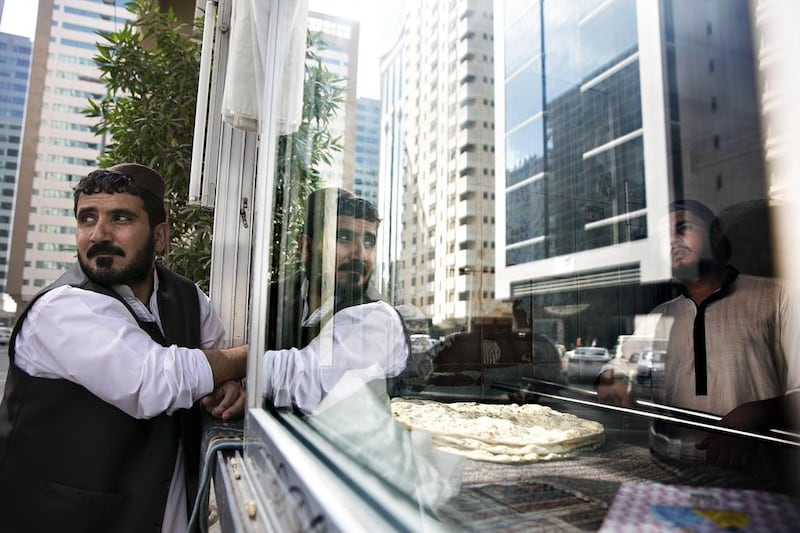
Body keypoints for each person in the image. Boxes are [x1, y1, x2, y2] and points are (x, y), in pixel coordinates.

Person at [0, 163, 248, 533]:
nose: (99, 234)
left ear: (160, 237)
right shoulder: (62, 307)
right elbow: (152, 381)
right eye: (87, 218)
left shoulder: (189, 299)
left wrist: (228, 387)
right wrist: (253, 358)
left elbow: (212, 367)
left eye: (120, 218)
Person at [597, 199, 799, 473]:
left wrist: (757, 413)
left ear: (715, 233)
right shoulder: (661, 315)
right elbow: (619, 368)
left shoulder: (779, 296)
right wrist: (613, 379)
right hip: (665, 465)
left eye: (682, 227)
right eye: (663, 237)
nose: (672, 241)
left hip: (754, 472)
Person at [263, 187, 409, 412]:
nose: (359, 254)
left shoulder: (376, 316)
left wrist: (234, 370)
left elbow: (306, 383)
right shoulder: (273, 297)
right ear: (306, 248)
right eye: (343, 237)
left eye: (369, 241)